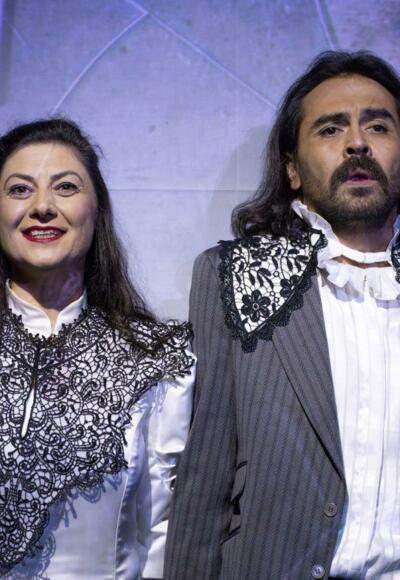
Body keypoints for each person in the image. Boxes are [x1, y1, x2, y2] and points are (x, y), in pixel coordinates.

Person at [164, 51, 400, 579]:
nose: (357, 143)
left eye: (378, 126)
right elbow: (205, 481)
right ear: (292, 168)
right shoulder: (235, 276)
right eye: (330, 129)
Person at [0, 118, 195, 579]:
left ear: (96, 210)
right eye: (20, 190)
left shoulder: (157, 359)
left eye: (65, 187)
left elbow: (163, 530)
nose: (42, 207)